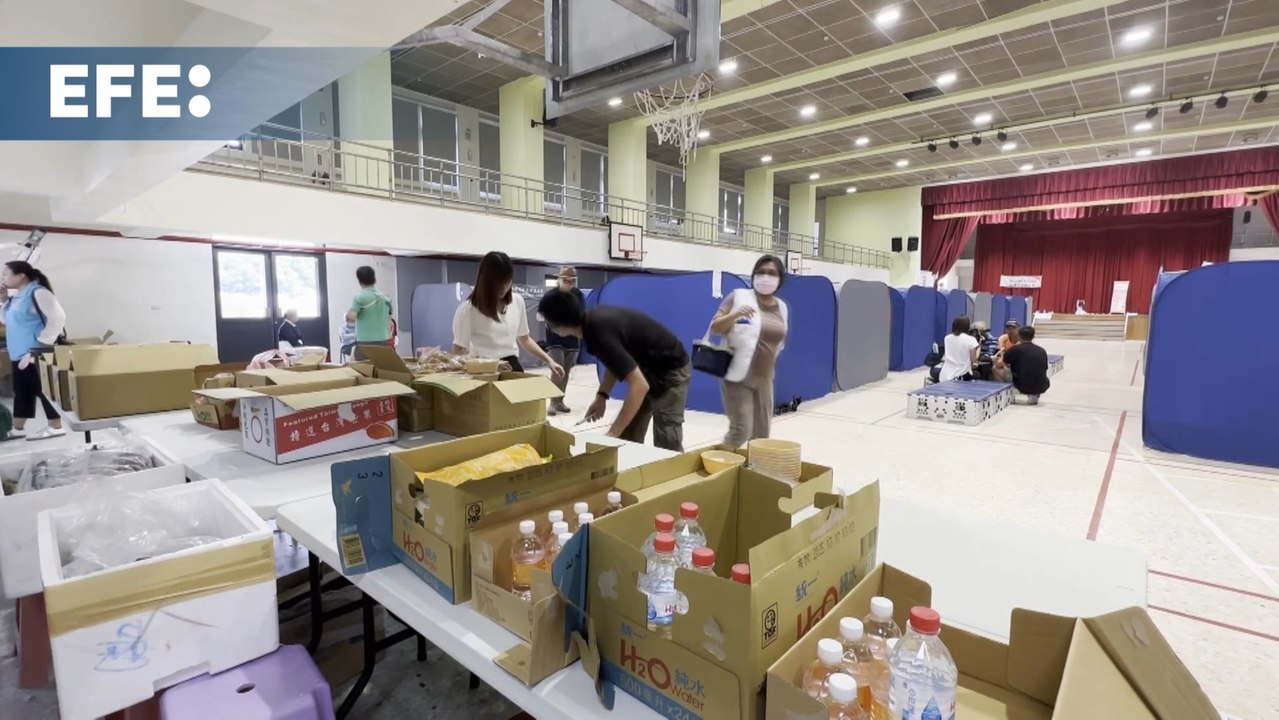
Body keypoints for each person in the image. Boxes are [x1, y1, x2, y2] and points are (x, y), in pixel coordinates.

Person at [537, 289, 690, 451]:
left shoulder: (598, 332)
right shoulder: (592, 324)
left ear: (557, 325)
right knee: (628, 433)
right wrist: (601, 396)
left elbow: (639, 386)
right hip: (647, 368)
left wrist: (612, 433)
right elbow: (614, 361)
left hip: (671, 369)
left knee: (667, 441)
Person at [709, 254, 789, 448]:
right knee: (741, 430)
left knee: (762, 436)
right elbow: (715, 327)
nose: (765, 277)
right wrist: (735, 315)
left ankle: (752, 473)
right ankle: (717, 467)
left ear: (779, 279)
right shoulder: (738, 296)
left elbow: (779, 340)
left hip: (765, 379)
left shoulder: (782, 307)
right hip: (738, 377)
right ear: (753, 275)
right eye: (761, 272)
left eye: (771, 273)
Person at [452, 251, 563, 378]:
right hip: (484, 371)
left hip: (511, 366)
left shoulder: (517, 301)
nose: (503, 287)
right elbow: (458, 352)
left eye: (507, 281)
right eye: (497, 282)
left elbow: (525, 339)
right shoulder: (469, 310)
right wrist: (490, 365)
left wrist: (550, 360)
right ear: (485, 281)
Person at [0, 261, 66, 440]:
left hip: (35, 353)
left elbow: (58, 319)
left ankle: (56, 425)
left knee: (42, 389)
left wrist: (38, 347)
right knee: (22, 391)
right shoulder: (18, 296)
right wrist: (3, 301)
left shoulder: (38, 292)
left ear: (21, 275)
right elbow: (7, 321)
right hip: (18, 353)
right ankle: (18, 428)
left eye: (6, 274)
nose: (3, 278)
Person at [543, 267, 585, 416]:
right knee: (557, 370)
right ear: (559, 280)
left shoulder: (578, 295)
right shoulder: (550, 296)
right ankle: (552, 403)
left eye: (572, 281)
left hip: (572, 340)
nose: (569, 284)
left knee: (566, 372)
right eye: (566, 280)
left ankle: (560, 400)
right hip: (555, 338)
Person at [346, 266, 392, 359]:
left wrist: (347, 316)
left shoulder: (359, 297)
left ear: (360, 281)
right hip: (383, 340)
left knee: (364, 370)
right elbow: (389, 319)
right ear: (375, 280)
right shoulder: (386, 298)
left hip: (365, 342)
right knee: (381, 369)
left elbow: (352, 317)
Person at [1001, 325, 1051, 404]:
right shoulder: (1042, 350)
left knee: (997, 370)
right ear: (1033, 336)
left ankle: (1008, 396)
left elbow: (1001, 364)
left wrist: (994, 360)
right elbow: (1044, 368)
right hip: (1043, 385)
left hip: (1022, 385)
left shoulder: (1015, 349)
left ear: (1019, 336)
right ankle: (1034, 394)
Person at [938, 316, 978, 383]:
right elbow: (973, 359)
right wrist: (978, 349)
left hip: (944, 376)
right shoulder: (971, 339)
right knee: (977, 375)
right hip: (961, 377)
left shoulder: (947, 338)